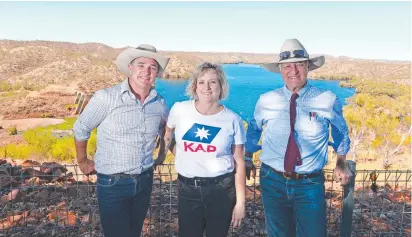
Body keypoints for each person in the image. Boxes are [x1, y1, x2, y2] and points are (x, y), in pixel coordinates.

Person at [244, 38, 351, 237]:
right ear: (281, 69)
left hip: (308, 184)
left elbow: (340, 132)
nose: (293, 70)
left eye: (299, 64)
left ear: (308, 67)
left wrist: (341, 162)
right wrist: (248, 157)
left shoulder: (327, 100)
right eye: (287, 66)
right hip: (272, 180)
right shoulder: (266, 100)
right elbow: (253, 130)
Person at [72, 44, 170, 237]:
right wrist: (82, 160)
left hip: (145, 180)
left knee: (134, 232)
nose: (146, 71)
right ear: (130, 68)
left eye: (152, 67)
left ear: (157, 73)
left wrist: (160, 157)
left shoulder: (159, 103)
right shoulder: (107, 98)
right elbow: (81, 127)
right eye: (141, 65)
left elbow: (166, 130)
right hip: (112, 183)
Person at [163, 62, 246, 237]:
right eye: (201, 82)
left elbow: (239, 162)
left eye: (213, 82)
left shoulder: (233, 119)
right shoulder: (180, 109)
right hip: (188, 189)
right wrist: (177, 153)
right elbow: (168, 133)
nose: (206, 87)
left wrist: (241, 203)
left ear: (221, 86)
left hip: (221, 190)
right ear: (194, 86)